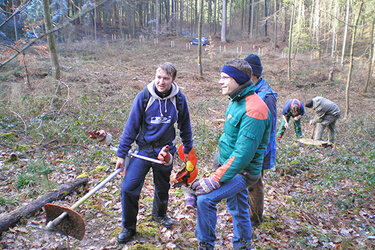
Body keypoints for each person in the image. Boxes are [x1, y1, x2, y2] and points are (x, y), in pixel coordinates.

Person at [191, 59, 272, 250]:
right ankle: (243, 245)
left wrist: (215, 179)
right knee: (239, 208)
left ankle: (205, 245)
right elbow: (231, 137)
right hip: (229, 167)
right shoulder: (237, 100)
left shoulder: (255, 109)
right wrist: (218, 159)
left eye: (225, 77)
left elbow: (243, 155)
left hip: (243, 172)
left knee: (205, 199)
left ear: (238, 79)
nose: (220, 81)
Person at [115, 62, 194, 244]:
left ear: (173, 80)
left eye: (166, 78)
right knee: (128, 187)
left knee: (162, 186)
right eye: (158, 77)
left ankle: (159, 215)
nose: (161, 81)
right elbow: (131, 126)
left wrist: (188, 149)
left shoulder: (179, 99)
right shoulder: (144, 97)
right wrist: (122, 153)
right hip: (143, 150)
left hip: (165, 151)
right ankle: (128, 227)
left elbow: (185, 126)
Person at [244, 54, 278, 227]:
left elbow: (270, 130)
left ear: (253, 74)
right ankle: (248, 214)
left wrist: (259, 153)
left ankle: (255, 219)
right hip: (249, 148)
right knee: (246, 182)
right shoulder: (250, 91)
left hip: (259, 150)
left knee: (254, 184)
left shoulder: (267, 96)